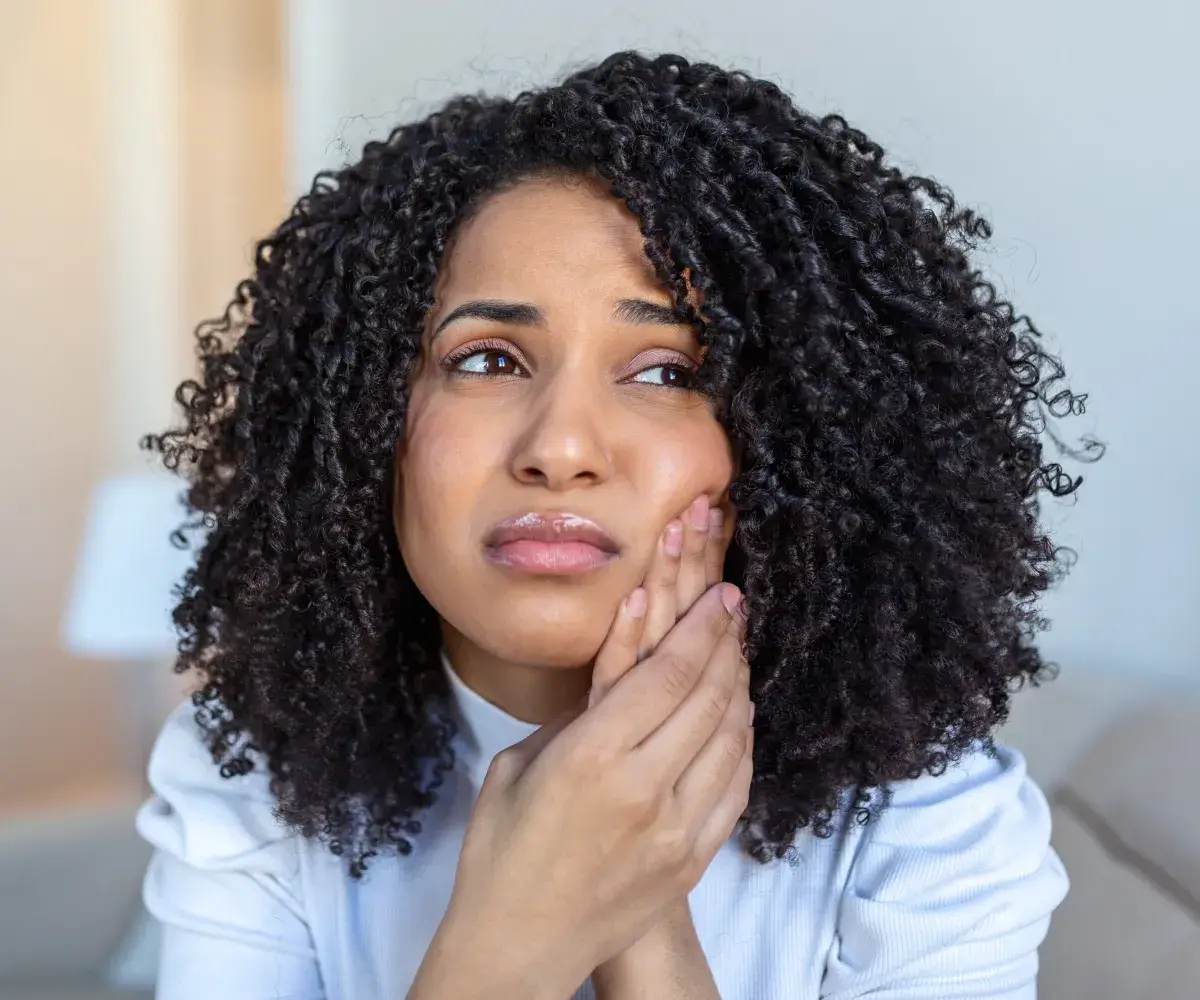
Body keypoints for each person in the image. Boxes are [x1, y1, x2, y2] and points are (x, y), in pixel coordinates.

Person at [136, 50, 1094, 1000]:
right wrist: (508, 943)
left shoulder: (931, 825)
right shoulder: (254, 780)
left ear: (799, 443)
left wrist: (637, 897)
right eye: (487, 360)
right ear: (369, 423)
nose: (560, 446)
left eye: (668, 373)